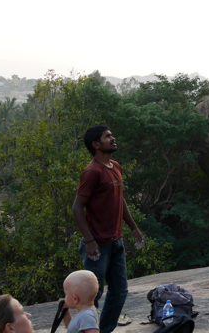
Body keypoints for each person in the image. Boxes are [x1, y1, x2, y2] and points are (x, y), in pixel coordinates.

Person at [72, 125, 144, 333]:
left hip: (116, 242)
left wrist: (133, 228)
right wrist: (89, 241)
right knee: (92, 296)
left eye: (112, 135)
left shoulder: (115, 166)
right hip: (97, 246)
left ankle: (103, 330)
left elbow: (119, 200)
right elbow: (77, 208)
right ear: (96, 144)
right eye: (107, 137)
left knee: (120, 291)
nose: (112, 139)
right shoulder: (92, 172)